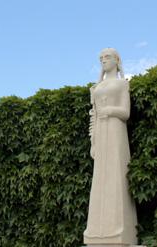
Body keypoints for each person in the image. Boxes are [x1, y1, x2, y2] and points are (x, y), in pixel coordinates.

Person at [84, 48, 137, 245]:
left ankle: (118, 229)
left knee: (116, 177)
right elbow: (94, 115)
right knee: (100, 180)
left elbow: (125, 112)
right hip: (102, 135)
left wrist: (110, 110)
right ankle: (97, 231)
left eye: (107, 57)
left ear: (116, 60)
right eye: (100, 58)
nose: (103, 61)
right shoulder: (97, 87)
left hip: (115, 132)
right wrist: (93, 142)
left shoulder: (122, 84)